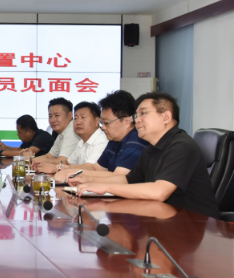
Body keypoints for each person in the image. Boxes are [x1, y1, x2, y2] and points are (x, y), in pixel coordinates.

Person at [74, 92, 219, 218]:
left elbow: (159, 191)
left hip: (197, 225)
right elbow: (128, 180)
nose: (137, 120)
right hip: (166, 219)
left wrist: (106, 188)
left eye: (143, 113)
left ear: (166, 117)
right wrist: (89, 181)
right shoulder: (151, 149)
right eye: (136, 115)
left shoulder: (182, 146)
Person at [54, 90, 147, 183]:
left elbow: (119, 177)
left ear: (127, 121)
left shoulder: (136, 141)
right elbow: (96, 168)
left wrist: (73, 172)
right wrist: (70, 169)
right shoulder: (114, 140)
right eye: (102, 122)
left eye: (106, 122)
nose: (103, 127)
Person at [36, 101, 107, 174]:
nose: (78, 122)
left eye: (83, 117)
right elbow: (67, 162)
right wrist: (43, 163)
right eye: (75, 118)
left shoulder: (101, 141)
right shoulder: (82, 141)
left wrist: (56, 168)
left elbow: (91, 168)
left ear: (97, 121)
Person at [30, 97, 80, 167]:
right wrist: (30, 159)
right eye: (50, 116)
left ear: (69, 115)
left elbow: (62, 161)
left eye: (57, 115)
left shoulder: (72, 131)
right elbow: (49, 156)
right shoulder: (62, 132)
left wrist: (31, 160)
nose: (53, 120)